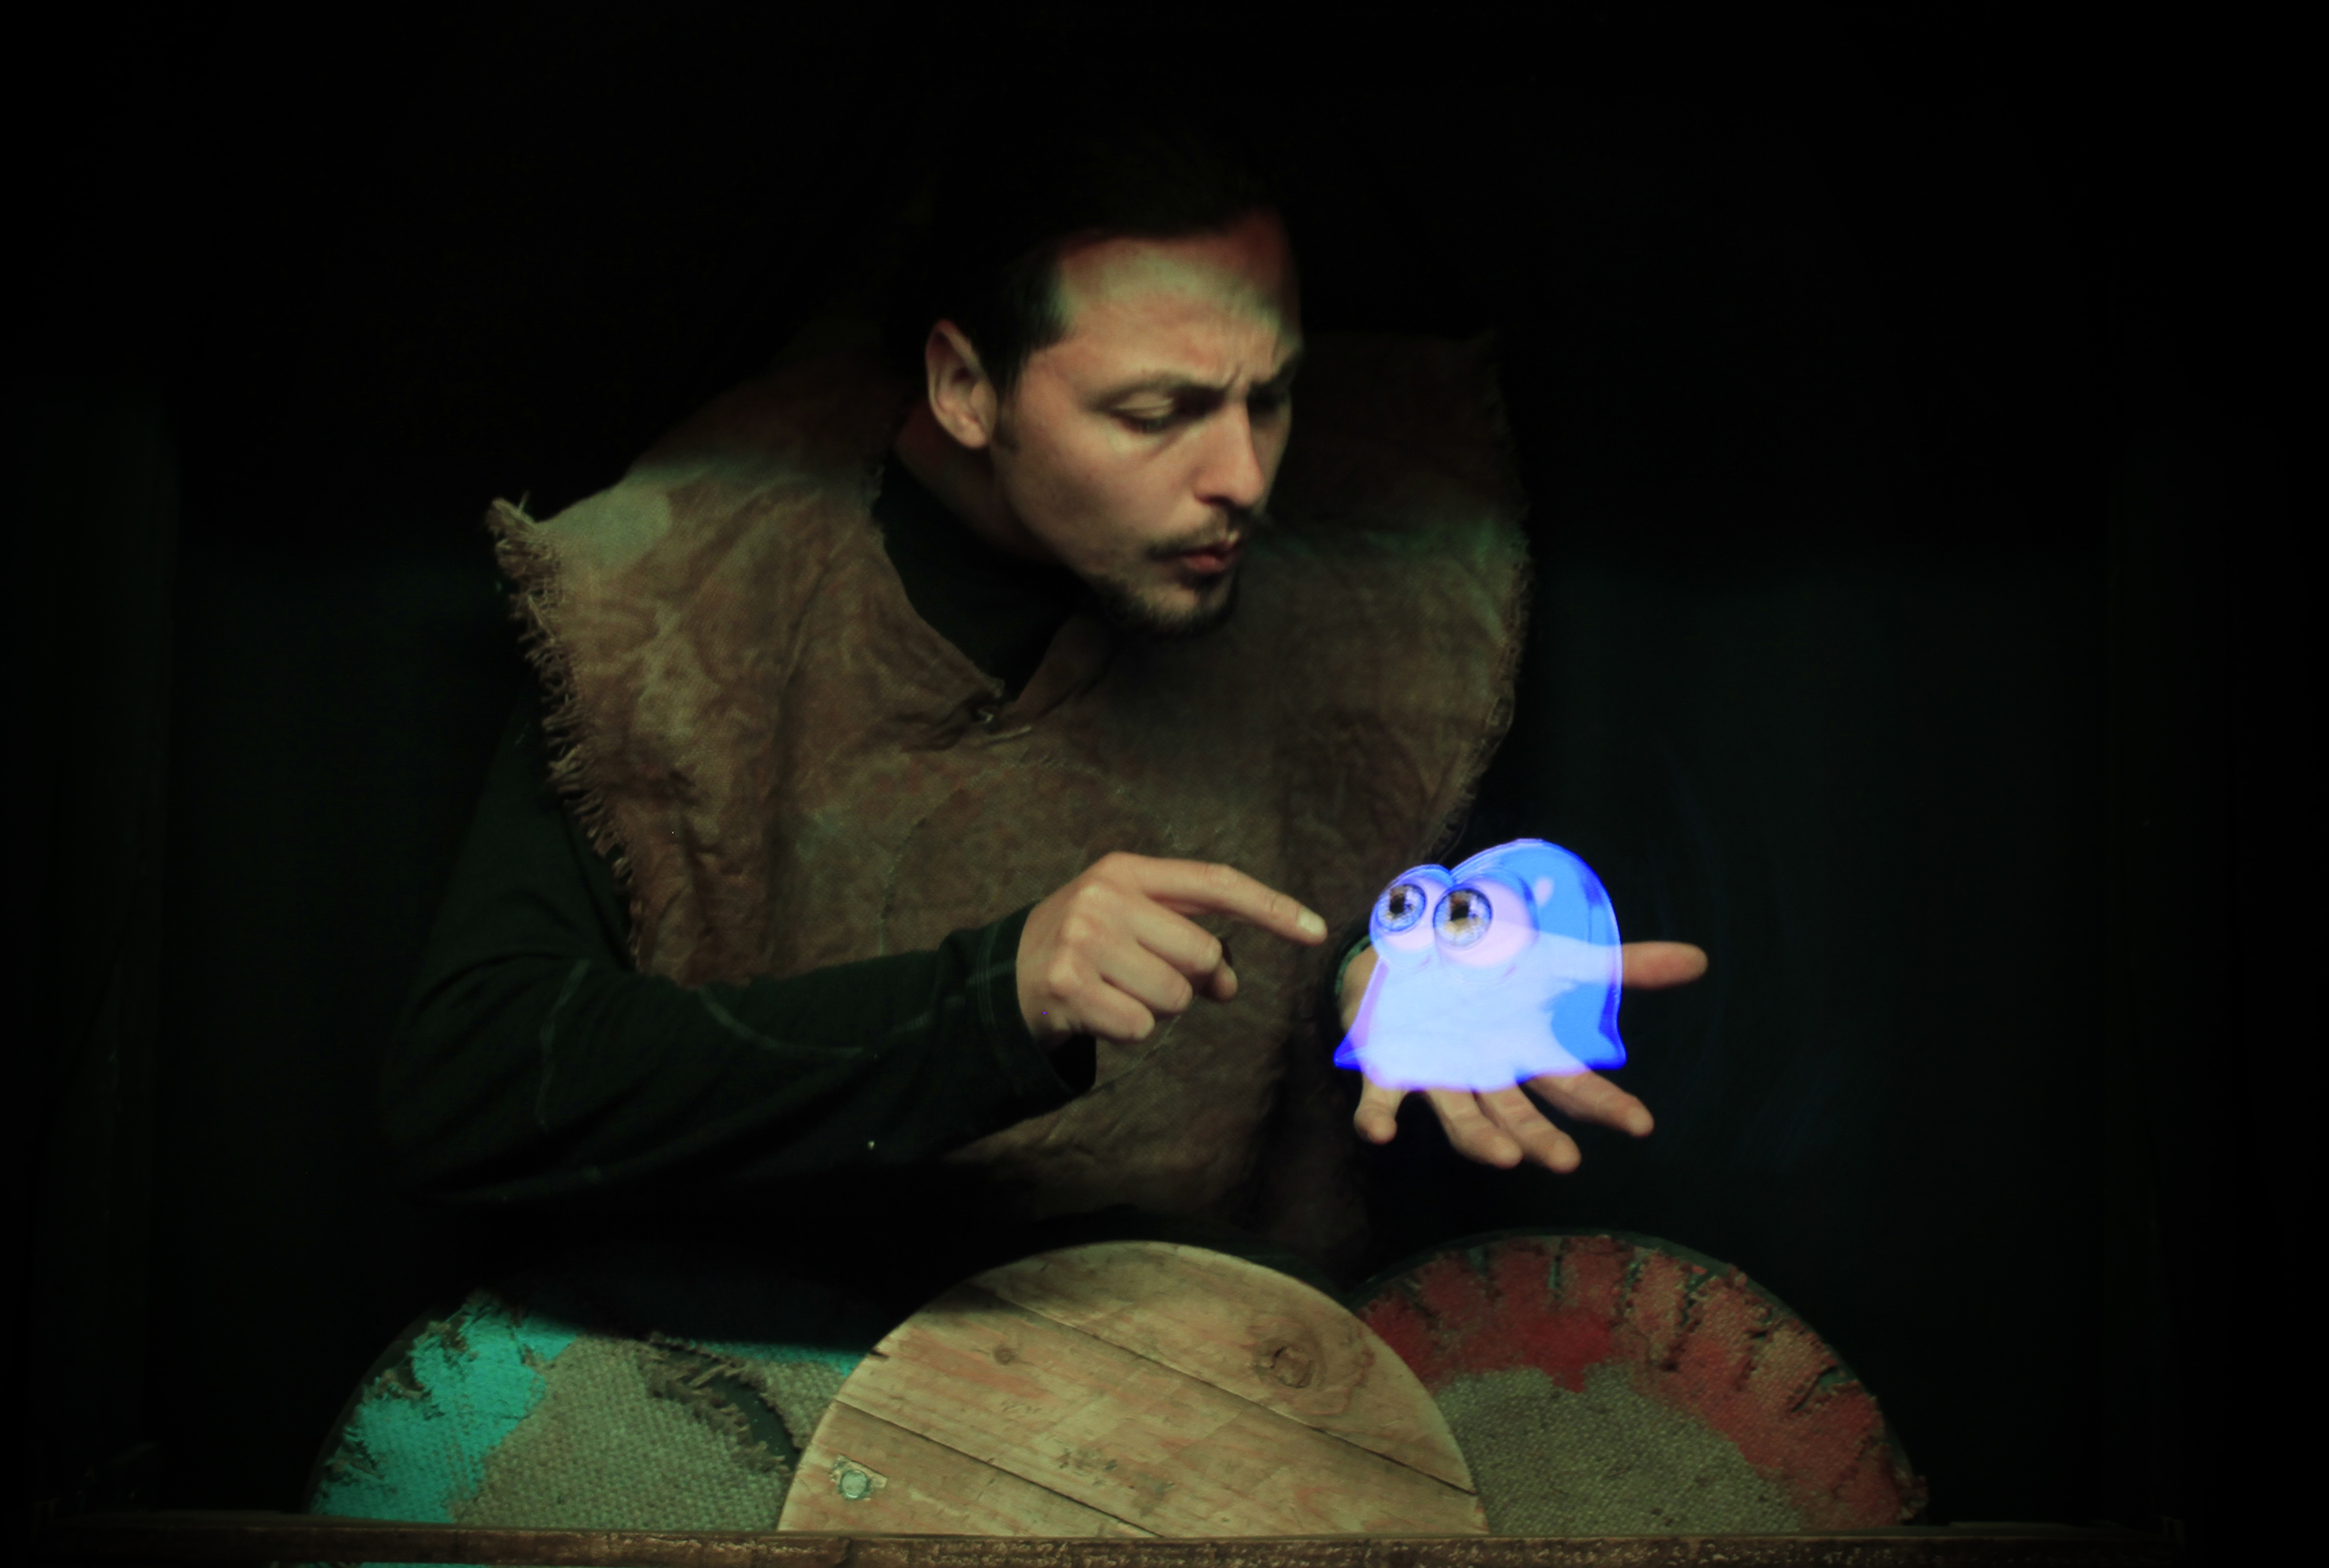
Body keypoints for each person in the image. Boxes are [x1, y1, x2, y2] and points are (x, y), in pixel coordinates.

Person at [377, 110, 1708, 1327]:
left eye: (1271, 396)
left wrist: (1391, 986)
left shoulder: (1358, 587)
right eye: (1159, 413)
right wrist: (991, 1002)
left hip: (1185, 1389)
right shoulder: (686, 596)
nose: (1244, 476)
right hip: (753, 1388)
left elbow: (1337, 905)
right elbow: (472, 1083)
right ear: (966, 387)